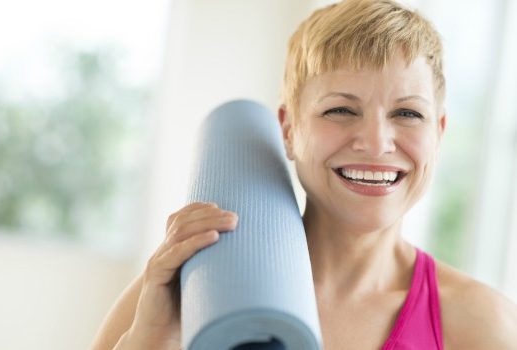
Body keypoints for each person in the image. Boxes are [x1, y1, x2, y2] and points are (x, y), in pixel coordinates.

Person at [91, 0, 517, 349]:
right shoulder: (185, 291)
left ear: (438, 133)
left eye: (407, 113)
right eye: (341, 110)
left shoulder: (482, 324)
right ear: (289, 130)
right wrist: (149, 340)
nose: (375, 142)